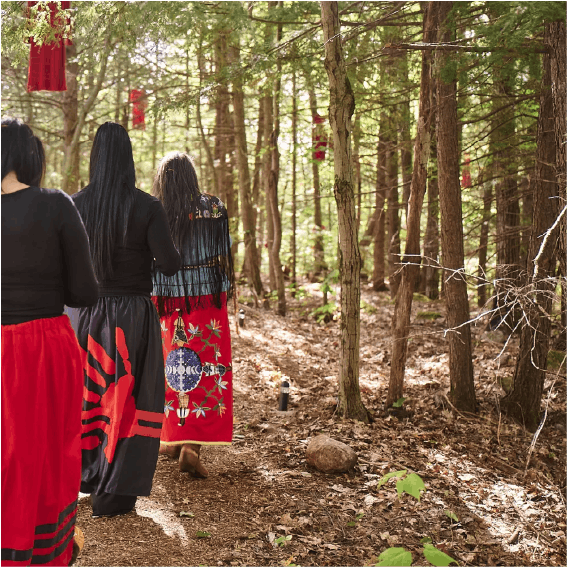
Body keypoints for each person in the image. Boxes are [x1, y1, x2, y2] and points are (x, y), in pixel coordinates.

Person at [67, 122, 181, 518]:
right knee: (130, 399)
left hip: (85, 314)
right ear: (129, 159)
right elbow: (169, 264)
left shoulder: (75, 204)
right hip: (132, 315)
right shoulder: (147, 206)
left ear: (95, 158)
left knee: (88, 395)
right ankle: (114, 493)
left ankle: (86, 478)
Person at [1, 117, 98, 566]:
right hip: (43, 347)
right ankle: (43, 552)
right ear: (30, 156)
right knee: (46, 453)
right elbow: (84, 292)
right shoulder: (56, 205)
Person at [151, 152, 235, 477]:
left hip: (169, 298)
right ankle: (190, 446)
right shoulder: (214, 207)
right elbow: (223, 248)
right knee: (208, 366)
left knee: (174, 365)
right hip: (208, 298)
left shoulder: (156, 210)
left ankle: (173, 438)